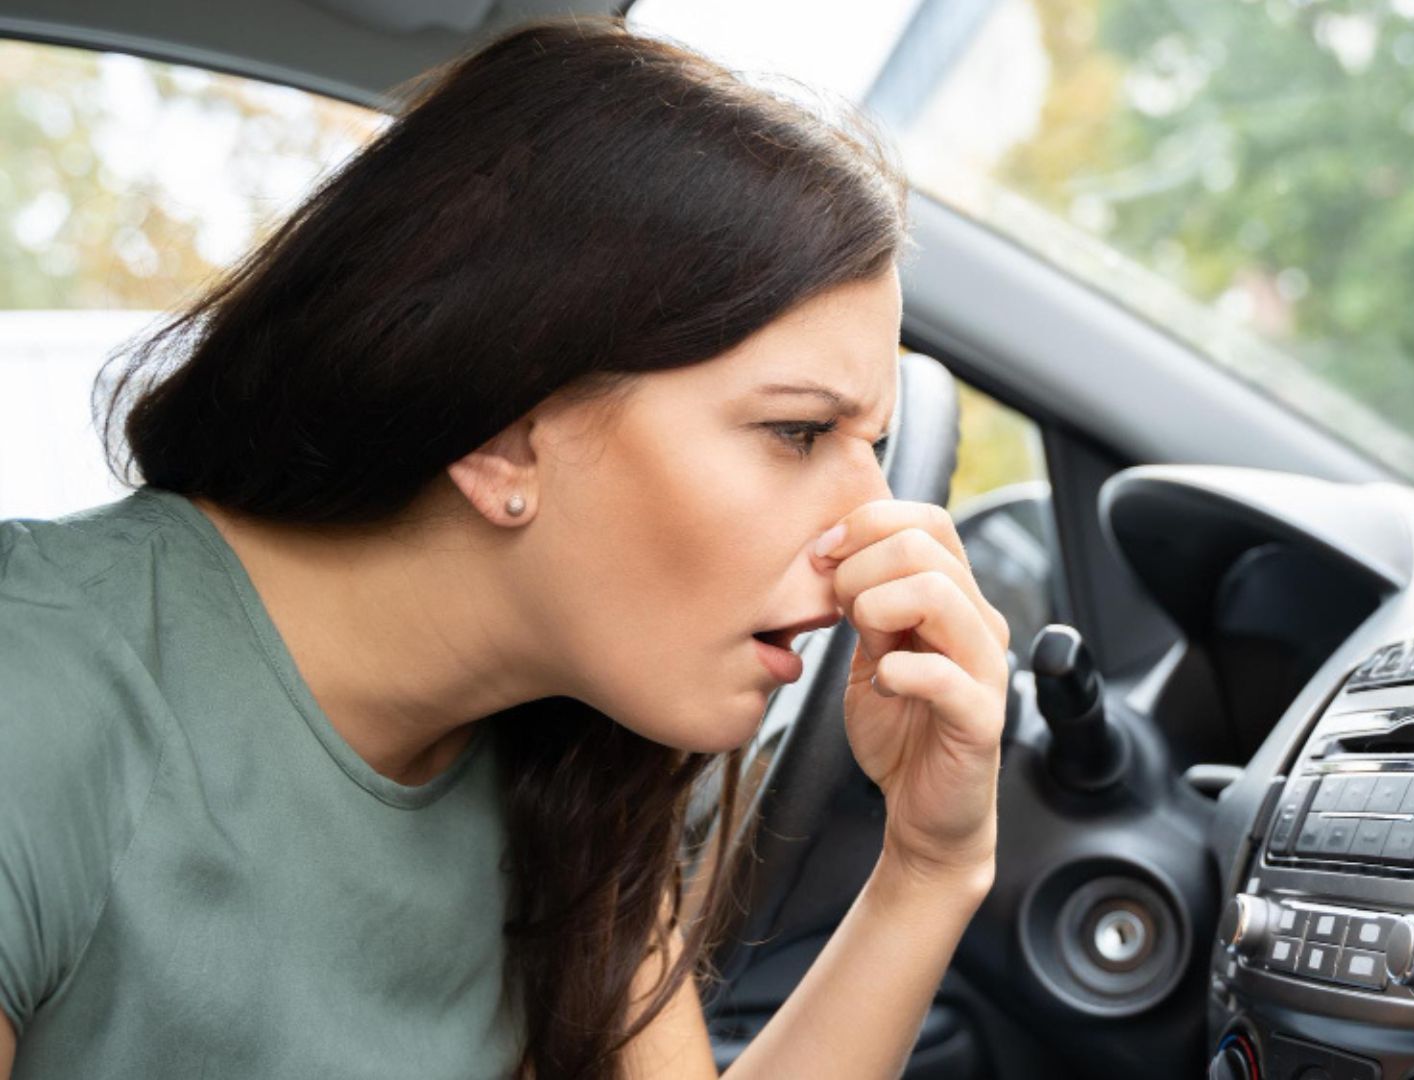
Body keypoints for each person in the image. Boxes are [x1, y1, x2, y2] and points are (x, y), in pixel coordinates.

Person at [0, 14, 1010, 1080]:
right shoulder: (40, 699)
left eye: (873, 447)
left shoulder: (570, 765)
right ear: (503, 437)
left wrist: (929, 867)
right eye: (797, 431)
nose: (869, 527)